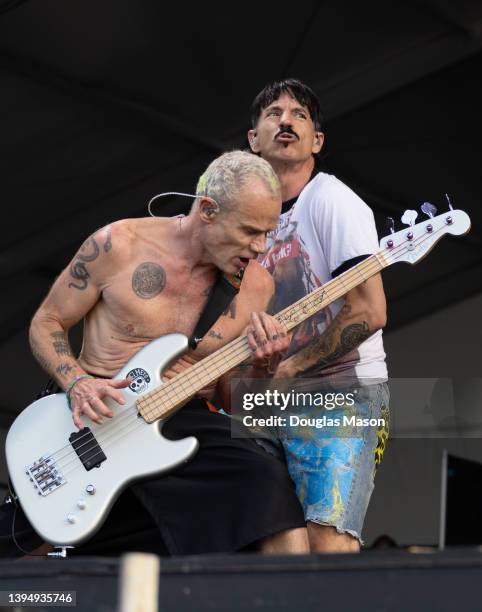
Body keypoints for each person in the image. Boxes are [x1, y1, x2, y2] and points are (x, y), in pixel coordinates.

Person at [21, 150, 308, 556]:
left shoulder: (256, 286)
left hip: (181, 420)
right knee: (25, 555)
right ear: (207, 210)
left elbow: (230, 398)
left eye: (267, 232)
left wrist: (264, 363)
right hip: (95, 416)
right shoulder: (118, 244)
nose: (260, 247)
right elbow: (45, 323)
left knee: (269, 484)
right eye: (249, 231)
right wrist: (77, 382)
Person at [246, 79, 390, 553]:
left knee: (328, 546)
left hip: (340, 393)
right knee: (271, 544)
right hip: (264, 396)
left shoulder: (332, 201)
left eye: (299, 115)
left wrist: (292, 367)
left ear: (317, 141)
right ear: (253, 139)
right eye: (273, 113)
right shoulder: (245, 221)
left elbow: (369, 311)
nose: (285, 120)